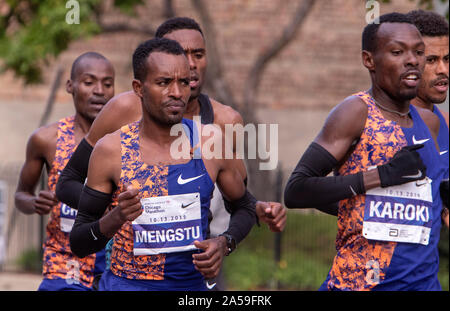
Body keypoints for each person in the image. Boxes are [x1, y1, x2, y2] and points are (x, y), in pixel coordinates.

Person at [55, 17, 286, 286]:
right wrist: (117, 212)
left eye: (196, 55)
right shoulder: (118, 127)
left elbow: (239, 200)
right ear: (140, 86)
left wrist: (227, 240)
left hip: (195, 271)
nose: (188, 64)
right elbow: (74, 208)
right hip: (127, 275)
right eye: (165, 79)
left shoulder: (219, 130)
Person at [284, 12, 445, 290]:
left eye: (419, 52)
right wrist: (379, 176)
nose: (412, 60)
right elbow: (296, 190)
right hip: (360, 284)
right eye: (397, 52)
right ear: (369, 60)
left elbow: (429, 203)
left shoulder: (430, 123)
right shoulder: (356, 112)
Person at [14, 52, 115, 290]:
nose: (99, 90)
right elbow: (21, 194)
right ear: (71, 85)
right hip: (65, 259)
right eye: (89, 82)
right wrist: (34, 202)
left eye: (107, 83)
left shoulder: (126, 138)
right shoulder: (45, 139)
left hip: (115, 259)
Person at [407, 10, 449, 228]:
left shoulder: (447, 124)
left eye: (447, 59)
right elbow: (303, 189)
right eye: (432, 60)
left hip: (428, 261)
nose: (443, 70)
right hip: (372, 261)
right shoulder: (373, 120)